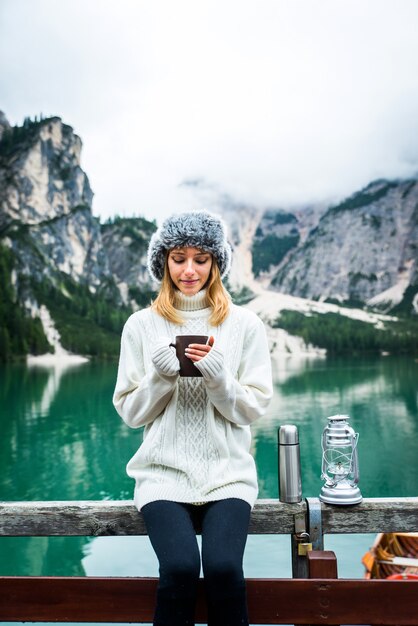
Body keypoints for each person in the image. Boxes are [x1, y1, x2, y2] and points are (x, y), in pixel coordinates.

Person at [113, 211, 273, 626]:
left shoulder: (245, 324)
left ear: (216, 263)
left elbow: (253, 407)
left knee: (223, 569)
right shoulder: (140, 325)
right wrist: (160, 377)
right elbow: (131, 413)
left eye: (201, 259)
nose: (189, 270)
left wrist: (220, 379)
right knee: (181, 568)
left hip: (228, 476)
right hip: (162, 475)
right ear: (163, 261)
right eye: (178, 257)